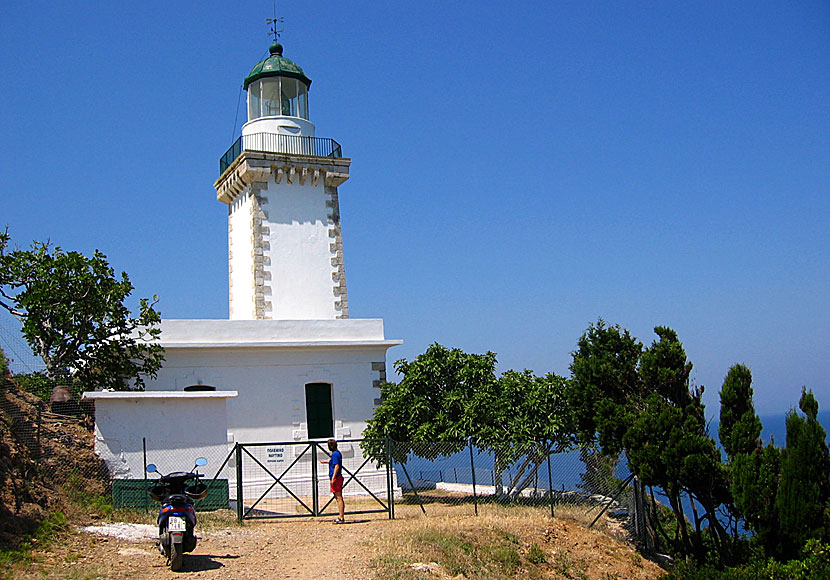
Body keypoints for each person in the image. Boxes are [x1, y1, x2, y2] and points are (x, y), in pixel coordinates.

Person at [320, 438, 345, 523]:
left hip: (336, 478)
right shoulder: (337, 453)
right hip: (337, 477)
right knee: (337, 497)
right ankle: (341, 516)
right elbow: (334, 463)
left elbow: (337, 466)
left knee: (339, 497)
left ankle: (341, 517)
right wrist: (326, 462)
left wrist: (333, 478)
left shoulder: (334, 454)